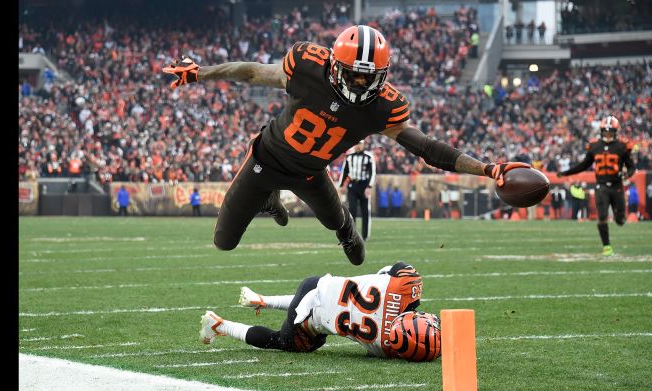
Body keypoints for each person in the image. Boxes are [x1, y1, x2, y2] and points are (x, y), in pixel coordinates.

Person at [163, 24, 529, 265]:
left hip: (310, 172)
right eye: (352, 73)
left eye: (366, 77)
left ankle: (346, 230)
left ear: (381, 76)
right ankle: (268, 197)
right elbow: (252, 71)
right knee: (224, 242)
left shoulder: (382, 106)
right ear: (335, 63)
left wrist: (487, 168)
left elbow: (428, 148)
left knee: (337, 222)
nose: (356, 83)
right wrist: (201, 73)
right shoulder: (307, 65)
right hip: (266, 158)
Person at [199, 261, 441, 362]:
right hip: (310, 316)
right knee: (286, 340)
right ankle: (219, 324)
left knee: (308, 315)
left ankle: (260, 301)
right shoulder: (384, 346)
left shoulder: (404, 284)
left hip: (318, 284)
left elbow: (395, 268)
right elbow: (400, 341)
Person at [558, 116, 636, 256]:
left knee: (620, 220)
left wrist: (626, 175)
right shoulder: (595, 146)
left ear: (615, 131)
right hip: (601, 186)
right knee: (602, 216)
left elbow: (631, 167)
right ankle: (607, 247)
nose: (607, 134)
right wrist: (566, 173)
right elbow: (584, 165)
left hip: (617, 186)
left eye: (610, 131)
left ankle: (619, 218)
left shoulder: (622, 146)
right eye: (605, 131)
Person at [338, 140, 375, 241]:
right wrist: (341, 185)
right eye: (356, 144)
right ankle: (352, 234)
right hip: (353, 185)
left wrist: (369, 187)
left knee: (365, 212)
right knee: (352, 210)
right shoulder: (349, 157)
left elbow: (372, 173)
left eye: (360, 144)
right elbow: (344, 172)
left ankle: (365, 235)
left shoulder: (368, 157)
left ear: (363, 145)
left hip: (364, 186)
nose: (358, 146)